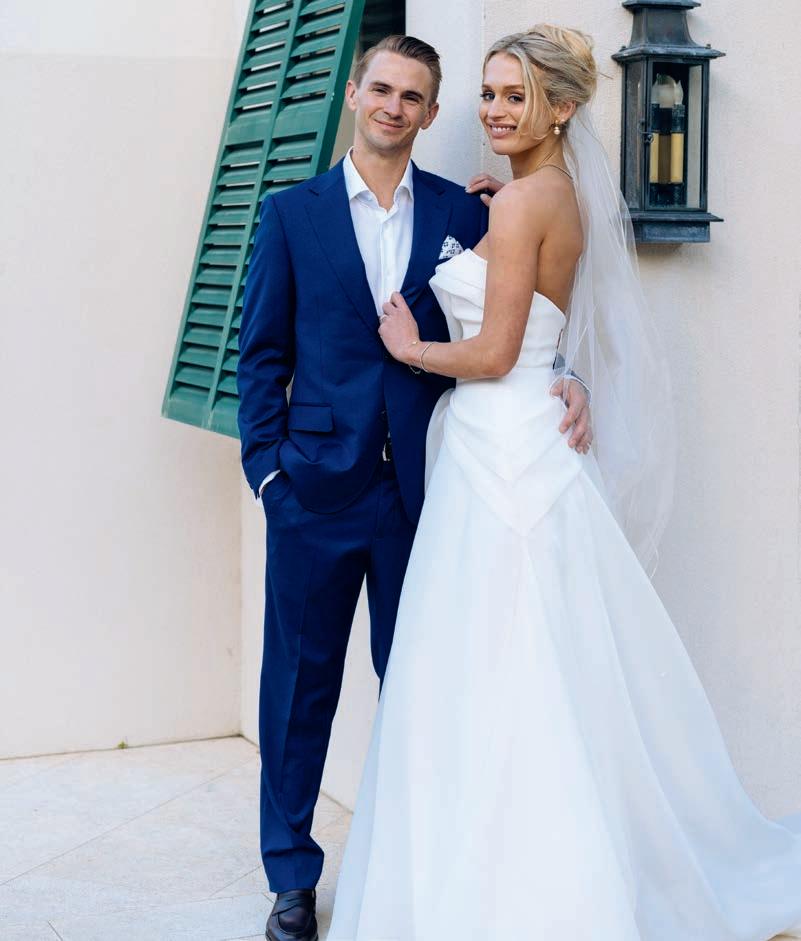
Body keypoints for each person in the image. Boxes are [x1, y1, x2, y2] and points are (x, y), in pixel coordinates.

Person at [327, 24, 801, 940]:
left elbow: (497, 353)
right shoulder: (551, 196)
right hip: (521, 444)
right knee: (533, 652)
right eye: (489, 94)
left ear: (563, 107)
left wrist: (410, 346)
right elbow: (544, 328)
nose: (495, 111)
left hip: (499, 449)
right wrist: (494, 217)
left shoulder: (521, 204)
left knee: (493, 658)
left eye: (517, 96)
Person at [236, 34, 591, 941]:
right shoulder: (290, 214)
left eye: (413, 97)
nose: (394, 107)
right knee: (297, 690)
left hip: (428, 495)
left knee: (425, 685)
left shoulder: (468, 209)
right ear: (356, 94)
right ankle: (290, 876)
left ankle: (421, 866)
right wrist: (269, 474)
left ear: (431, 114)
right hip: (313, 492)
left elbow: (528, 312)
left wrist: (568, 376)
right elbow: (261, 355)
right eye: (382, 89)